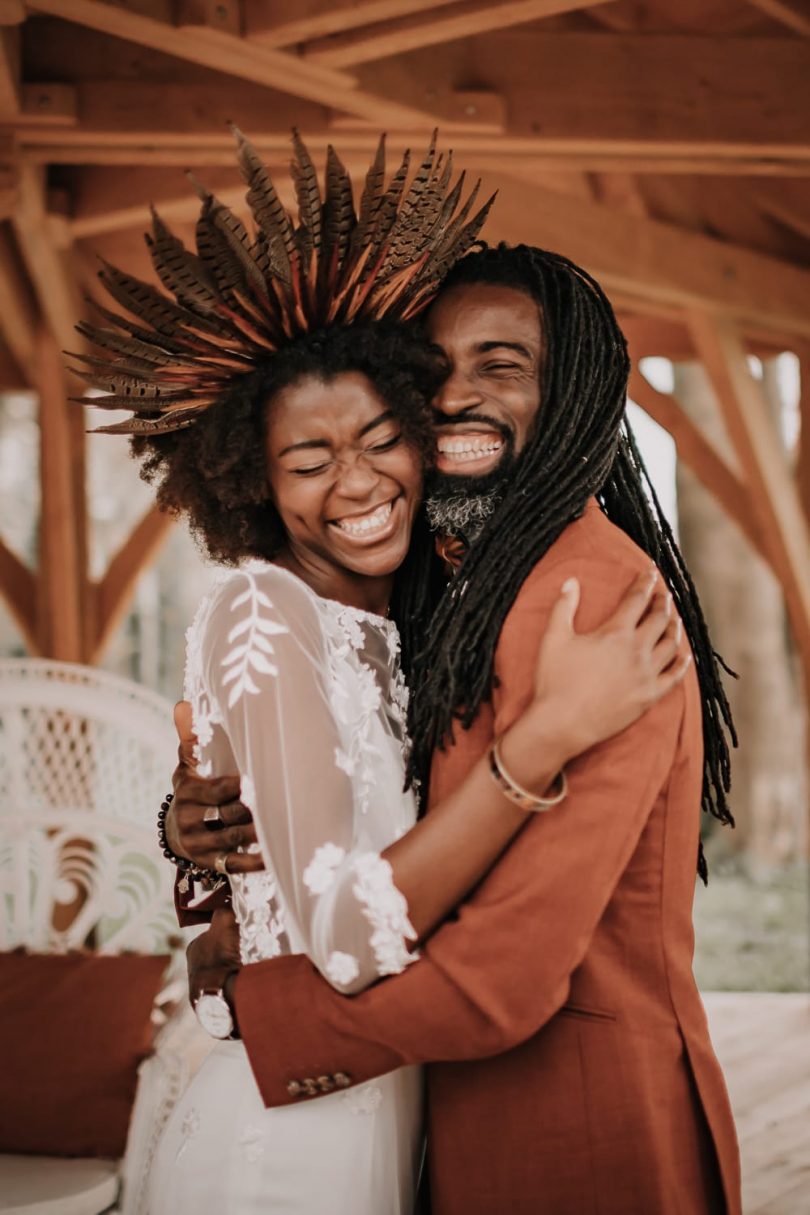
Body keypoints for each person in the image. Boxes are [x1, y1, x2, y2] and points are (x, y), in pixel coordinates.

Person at [77, 135, 686, 1215]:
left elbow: (496, 956)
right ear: (254, 482)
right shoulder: (303, 603)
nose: (358, 481)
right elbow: (329, 896)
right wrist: (200, 847)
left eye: (380, 437)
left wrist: (258, 999)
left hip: (505, 1113)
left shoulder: (565, 599)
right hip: (311, 1138)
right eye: (309, 463)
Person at [175, 244, 743, 1215]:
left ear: (574, 392)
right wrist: (211, 825)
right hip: (447, 1123)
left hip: (581, 1138)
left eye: (502, 366)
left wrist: (261, 1016)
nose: (453, 398)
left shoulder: (589, 602)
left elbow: (507, 978)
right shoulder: (460, 588)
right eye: (435, 371)